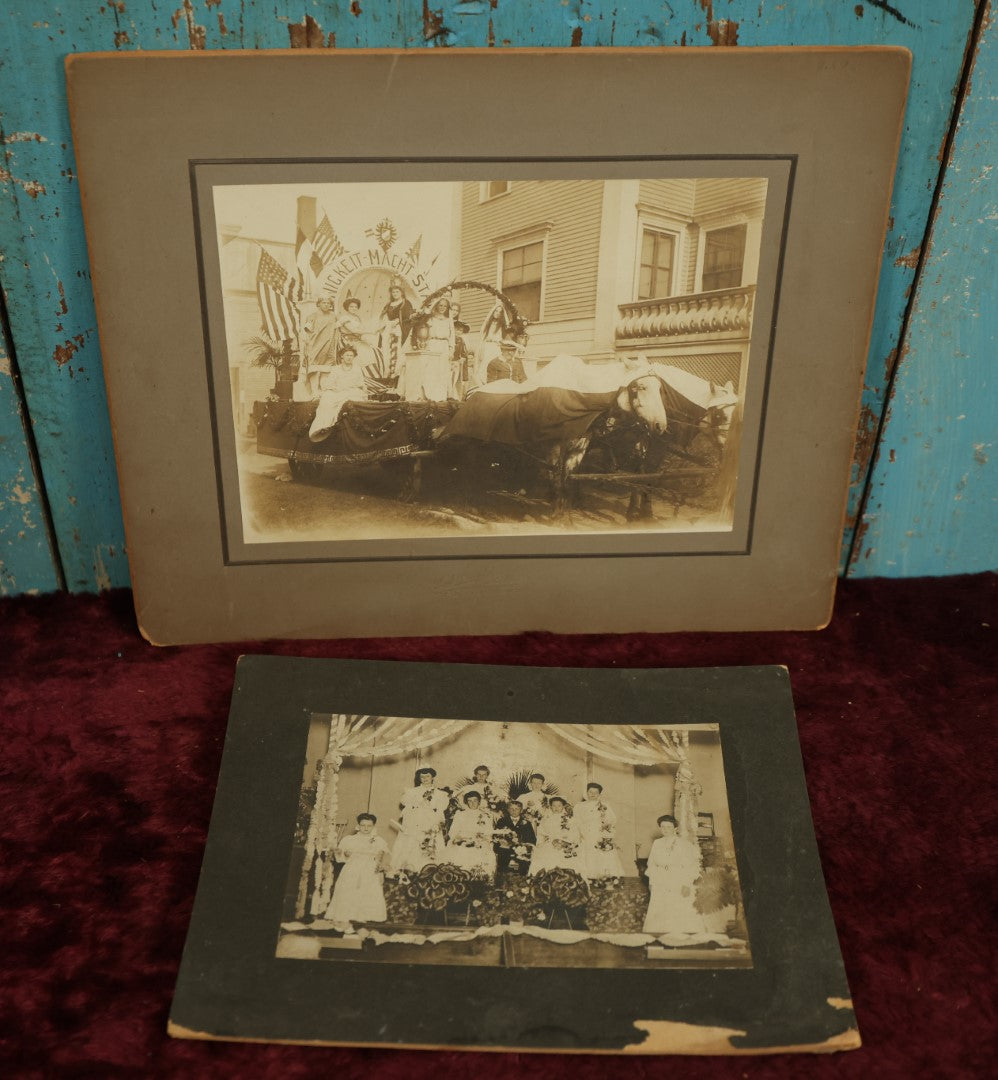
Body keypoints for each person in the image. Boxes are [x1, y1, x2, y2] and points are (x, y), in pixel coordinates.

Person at [642, 813, 705, 935]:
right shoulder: (657, 843)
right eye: (663, 827)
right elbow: (652, 864)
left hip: (678, 879)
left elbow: (691, 865)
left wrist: (686, 883)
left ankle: (681, 935)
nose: (665, 830)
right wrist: (652, 882)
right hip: (660, 880)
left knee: (678, 907)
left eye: (669, 827)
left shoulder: (684, 844)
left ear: (675, 828)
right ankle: (661, 935)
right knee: (660, 908)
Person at [324, 813, 389, 929]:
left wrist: (379, 871)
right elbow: (340, 858)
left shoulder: (379, 841)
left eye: (369, 826)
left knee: (368, 891)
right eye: (363, 825)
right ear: (358, 825)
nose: (366, 828)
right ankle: (346, 917)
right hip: (352, 868)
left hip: (369, 869)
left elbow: (379, 858)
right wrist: (343, 853)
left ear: (373, 826)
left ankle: (364, 918)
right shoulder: (349, 840)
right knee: (348, 890)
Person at [389, 767, 450, 874]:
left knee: (430, 845)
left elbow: (442, 808)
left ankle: (430, 872)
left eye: (427, 776)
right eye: (422, 776)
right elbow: (405, 804)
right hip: (415, 824)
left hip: (431, 824)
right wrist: (420, 803)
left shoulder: (440, 794)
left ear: (432, 777)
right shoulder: (412, 792)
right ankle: (410, 871)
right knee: (412, 845)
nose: (425, 779)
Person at [307, 345, 366, 442]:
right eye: (347, 355)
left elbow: (360, 383)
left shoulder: (357, 369)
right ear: (342, 357)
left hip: (352, 391)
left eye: (351, 355)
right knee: (326, 399)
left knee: (353, 397)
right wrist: (337, 388)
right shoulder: (336, 369)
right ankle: (323, 427)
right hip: (338, 391)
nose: (349, 357)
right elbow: (329, 383)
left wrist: (353, 387)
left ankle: (333, 424)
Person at [574, 782, 625, 880]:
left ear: (599, 794)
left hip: (599, 833)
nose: (592, 794)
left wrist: (606, 827)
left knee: (602, 853)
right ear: (587, 792)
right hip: (585, 833)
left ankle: (603, 876)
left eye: (595, 792)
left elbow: (612, 820)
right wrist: (580, 833)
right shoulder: (579, 806)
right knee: (587, 853)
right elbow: (576, 821)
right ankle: (588, 876)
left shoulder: (604, 806)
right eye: (590, 792)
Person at [446, 792, 497, 877]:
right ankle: (462, 876)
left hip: (480, 841)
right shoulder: (460, 814)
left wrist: (483, 838)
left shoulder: (486, 815)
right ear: (466, 802)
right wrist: (458, 838)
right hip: (463, 839)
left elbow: (489, 832)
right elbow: (453, 831)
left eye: (475, 800)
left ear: (479, 802)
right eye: (469, 801)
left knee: (483, 851)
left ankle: (480, 877)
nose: (472, 803)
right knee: (461, 850)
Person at [529, 796, 582, 875]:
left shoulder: (570, 819)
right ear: (550, 807)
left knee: (567, 855)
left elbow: (574, 833)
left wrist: (564, 842)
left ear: (563, 806)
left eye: (559, 805)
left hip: (565, 844)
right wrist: (545, 841)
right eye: (554, 806)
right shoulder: (546, 819)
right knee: (543, 855)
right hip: (549, 843)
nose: (556, 808)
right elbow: (541, 833)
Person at [378, 277, 415, 374]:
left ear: (402, 292)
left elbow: (409, 318)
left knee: (398, 351)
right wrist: (388, 323)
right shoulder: (388, 304)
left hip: (400, 330)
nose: (395, 294)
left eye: (397, 292)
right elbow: (383, 317)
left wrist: (399, 321)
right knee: (387, 351)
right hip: (388, 330)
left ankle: (396, 374)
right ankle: (387, 372)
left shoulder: (405, 303)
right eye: (393, 292)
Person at [493, 799, 536, 877]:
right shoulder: (502, 821)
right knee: (503, 858)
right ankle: (503, 878)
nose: (514, 811)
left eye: (516, 809)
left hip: (521, 849)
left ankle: (521, 878)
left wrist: (523, 845)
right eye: (511, 809)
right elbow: (496, 835)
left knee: (523, 859)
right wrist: (502, 841)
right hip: (505, 848)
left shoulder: (526, 823)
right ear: (508, 810)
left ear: (521, 810)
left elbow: (532, 839)